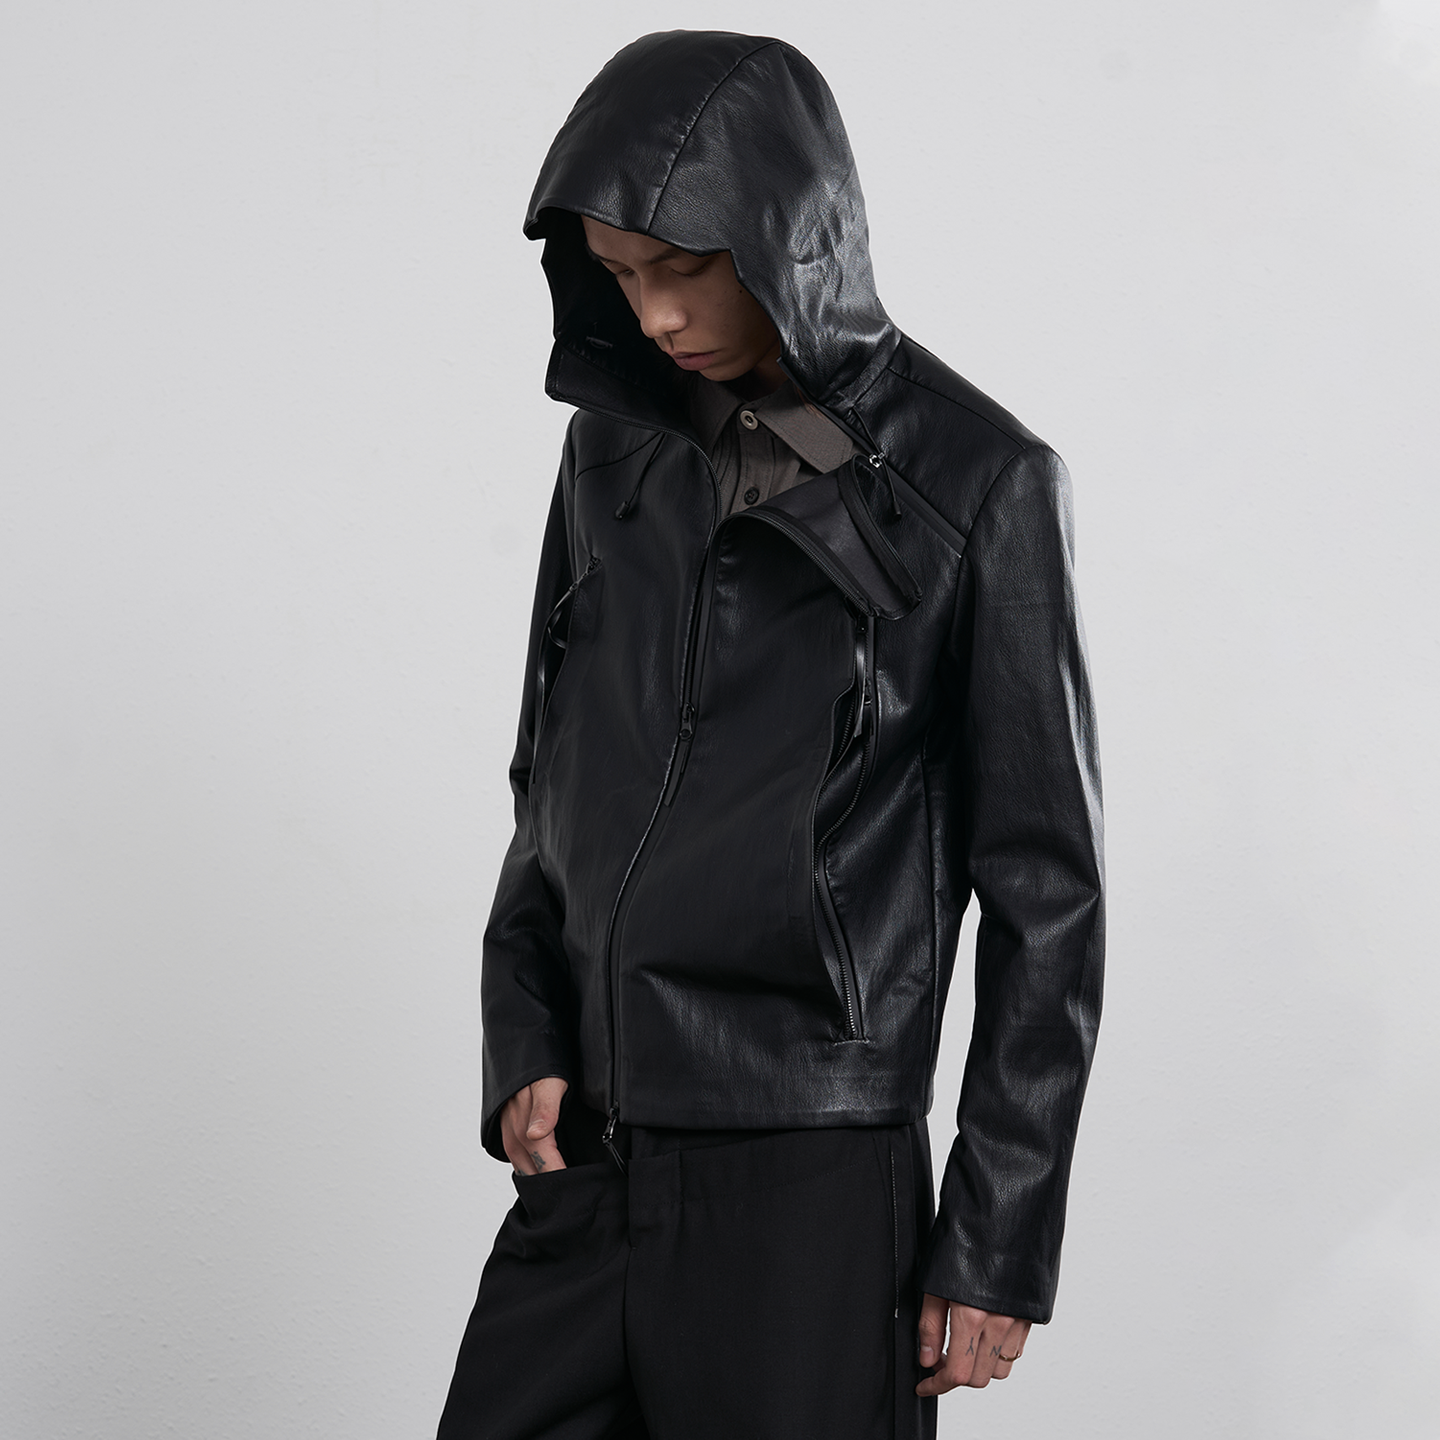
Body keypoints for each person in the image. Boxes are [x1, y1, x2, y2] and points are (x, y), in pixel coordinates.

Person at [438, 28, 1104, 1440]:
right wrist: (523, 1029)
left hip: (809, 1184)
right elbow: (549, 768)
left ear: (791, 231)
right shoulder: (613, 448)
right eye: (622, 275)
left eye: (685, 267)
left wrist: (999, 1231)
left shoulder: (981, 484)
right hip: (589, 1163)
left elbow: (1047, 894)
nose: (657, 316)